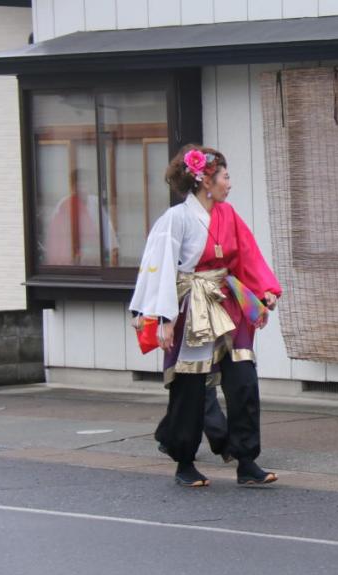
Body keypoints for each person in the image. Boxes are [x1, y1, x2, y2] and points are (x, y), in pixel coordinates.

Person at [130, 144, 281, 487]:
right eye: (225, 177)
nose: (230, 184)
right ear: (205, 181)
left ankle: (246, 461)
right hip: (192, 305)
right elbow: (162, 269)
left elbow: (247, 256)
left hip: (225, 301)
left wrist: (264, 290)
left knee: (243, 380)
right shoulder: (176, 219)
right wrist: (165, 319)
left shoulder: (229, 216)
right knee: (191, 388)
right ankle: (184, 462)